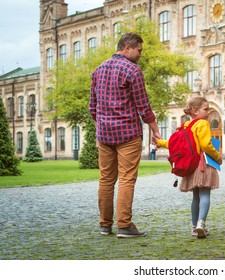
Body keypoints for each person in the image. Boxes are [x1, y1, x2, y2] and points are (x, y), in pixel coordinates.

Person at [89, 32, 161, 238]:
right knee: (127, 179)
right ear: (127, 47)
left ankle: (105, 225)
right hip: (127, 135)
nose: (140, 55)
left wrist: (101, 127)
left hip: (104, 136)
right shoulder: (133, 70)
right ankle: (124, 225)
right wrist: (155, 130)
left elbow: (92, 107)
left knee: (105, 179)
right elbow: (143, 106)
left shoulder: (98, 70)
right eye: (139, 51)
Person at [155, 97, 222, 238]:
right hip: (203, 164)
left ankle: (193, 227)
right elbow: (206, 145)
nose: (209, 112)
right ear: (195, 111)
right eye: (206, 109)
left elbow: (174, 143)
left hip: (190, 166)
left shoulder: (186, 125)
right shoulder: (202, 124)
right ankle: (201, 223)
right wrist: (217, 156)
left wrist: (160, 142)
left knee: (195, 197)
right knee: (205, 193)